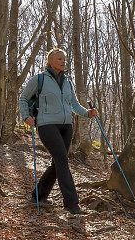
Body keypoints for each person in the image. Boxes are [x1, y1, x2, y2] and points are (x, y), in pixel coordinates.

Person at [18, 48, 97, 214]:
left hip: (66, 126)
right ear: (50, 61)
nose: (63, 61)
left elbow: (74, 105)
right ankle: (71, 203)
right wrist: (26, 116)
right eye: (59, 59)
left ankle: (38, 196)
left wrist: (87, 113)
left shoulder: (67, 82)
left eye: (64, 59)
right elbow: (24, 98)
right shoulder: (39, 79)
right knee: (62, 160)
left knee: (58, 162)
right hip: (47, 125)